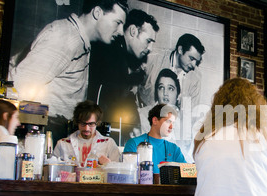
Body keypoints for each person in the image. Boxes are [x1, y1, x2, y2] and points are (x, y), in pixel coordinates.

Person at [9, 0, 129, 144]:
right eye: (118, 22)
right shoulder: (65, 37)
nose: (121, 32)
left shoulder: (78, 39)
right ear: (97, 13)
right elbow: (19, 86)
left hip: (56, 132)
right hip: (46, 133)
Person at [87, 9, 159, 145]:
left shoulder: (119, 54)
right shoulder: (112, 54)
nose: (150, 48)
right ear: (133, 31)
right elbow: (115, 98)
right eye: (148, 41)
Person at [139, 33, 206, 109]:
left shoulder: (195, 78)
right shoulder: (154, 59)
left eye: (196, 61)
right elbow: (131, 87)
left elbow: (190, 113)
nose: (194, 65)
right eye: (191, 58)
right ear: (180, 50)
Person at [53, 100, 121, 167]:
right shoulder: (62, 144)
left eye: (91, 124)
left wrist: (109, 165)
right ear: (77, 122)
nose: (86, 128)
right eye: (83, 123)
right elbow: (53, 170)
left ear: (97, 123)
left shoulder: (109, 144)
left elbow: (119, 172)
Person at [123, 103, 186, 174]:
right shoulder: (134, 144)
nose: (171, 127)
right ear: (155, 120)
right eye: (168, 121)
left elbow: (188, 174)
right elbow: (128, 176)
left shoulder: (174, 149)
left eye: (173, 123)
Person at [138, 68, 181, 135]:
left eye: (170, 88)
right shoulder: (143, 115)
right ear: (156, 92)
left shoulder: (184, 122)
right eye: (161, 87)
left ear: (178, 94)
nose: (165, 93)